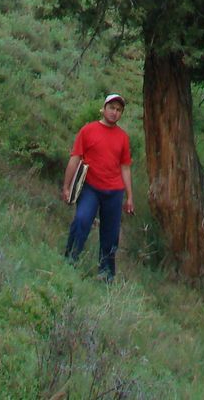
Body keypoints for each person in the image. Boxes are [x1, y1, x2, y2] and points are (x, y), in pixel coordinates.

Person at [62, 92, 134, 281]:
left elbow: (125, 167)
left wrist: (130, 197)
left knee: (111, 233)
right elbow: (75, 158)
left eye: (119, 110)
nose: (114, 113)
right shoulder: (88, 130)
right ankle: (70, 259)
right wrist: (66, 186)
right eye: (112, 108)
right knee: (82, 220)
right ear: (104, 109)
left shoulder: (123, 138)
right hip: (90, 188)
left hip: (114, 191)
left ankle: (106, 272)